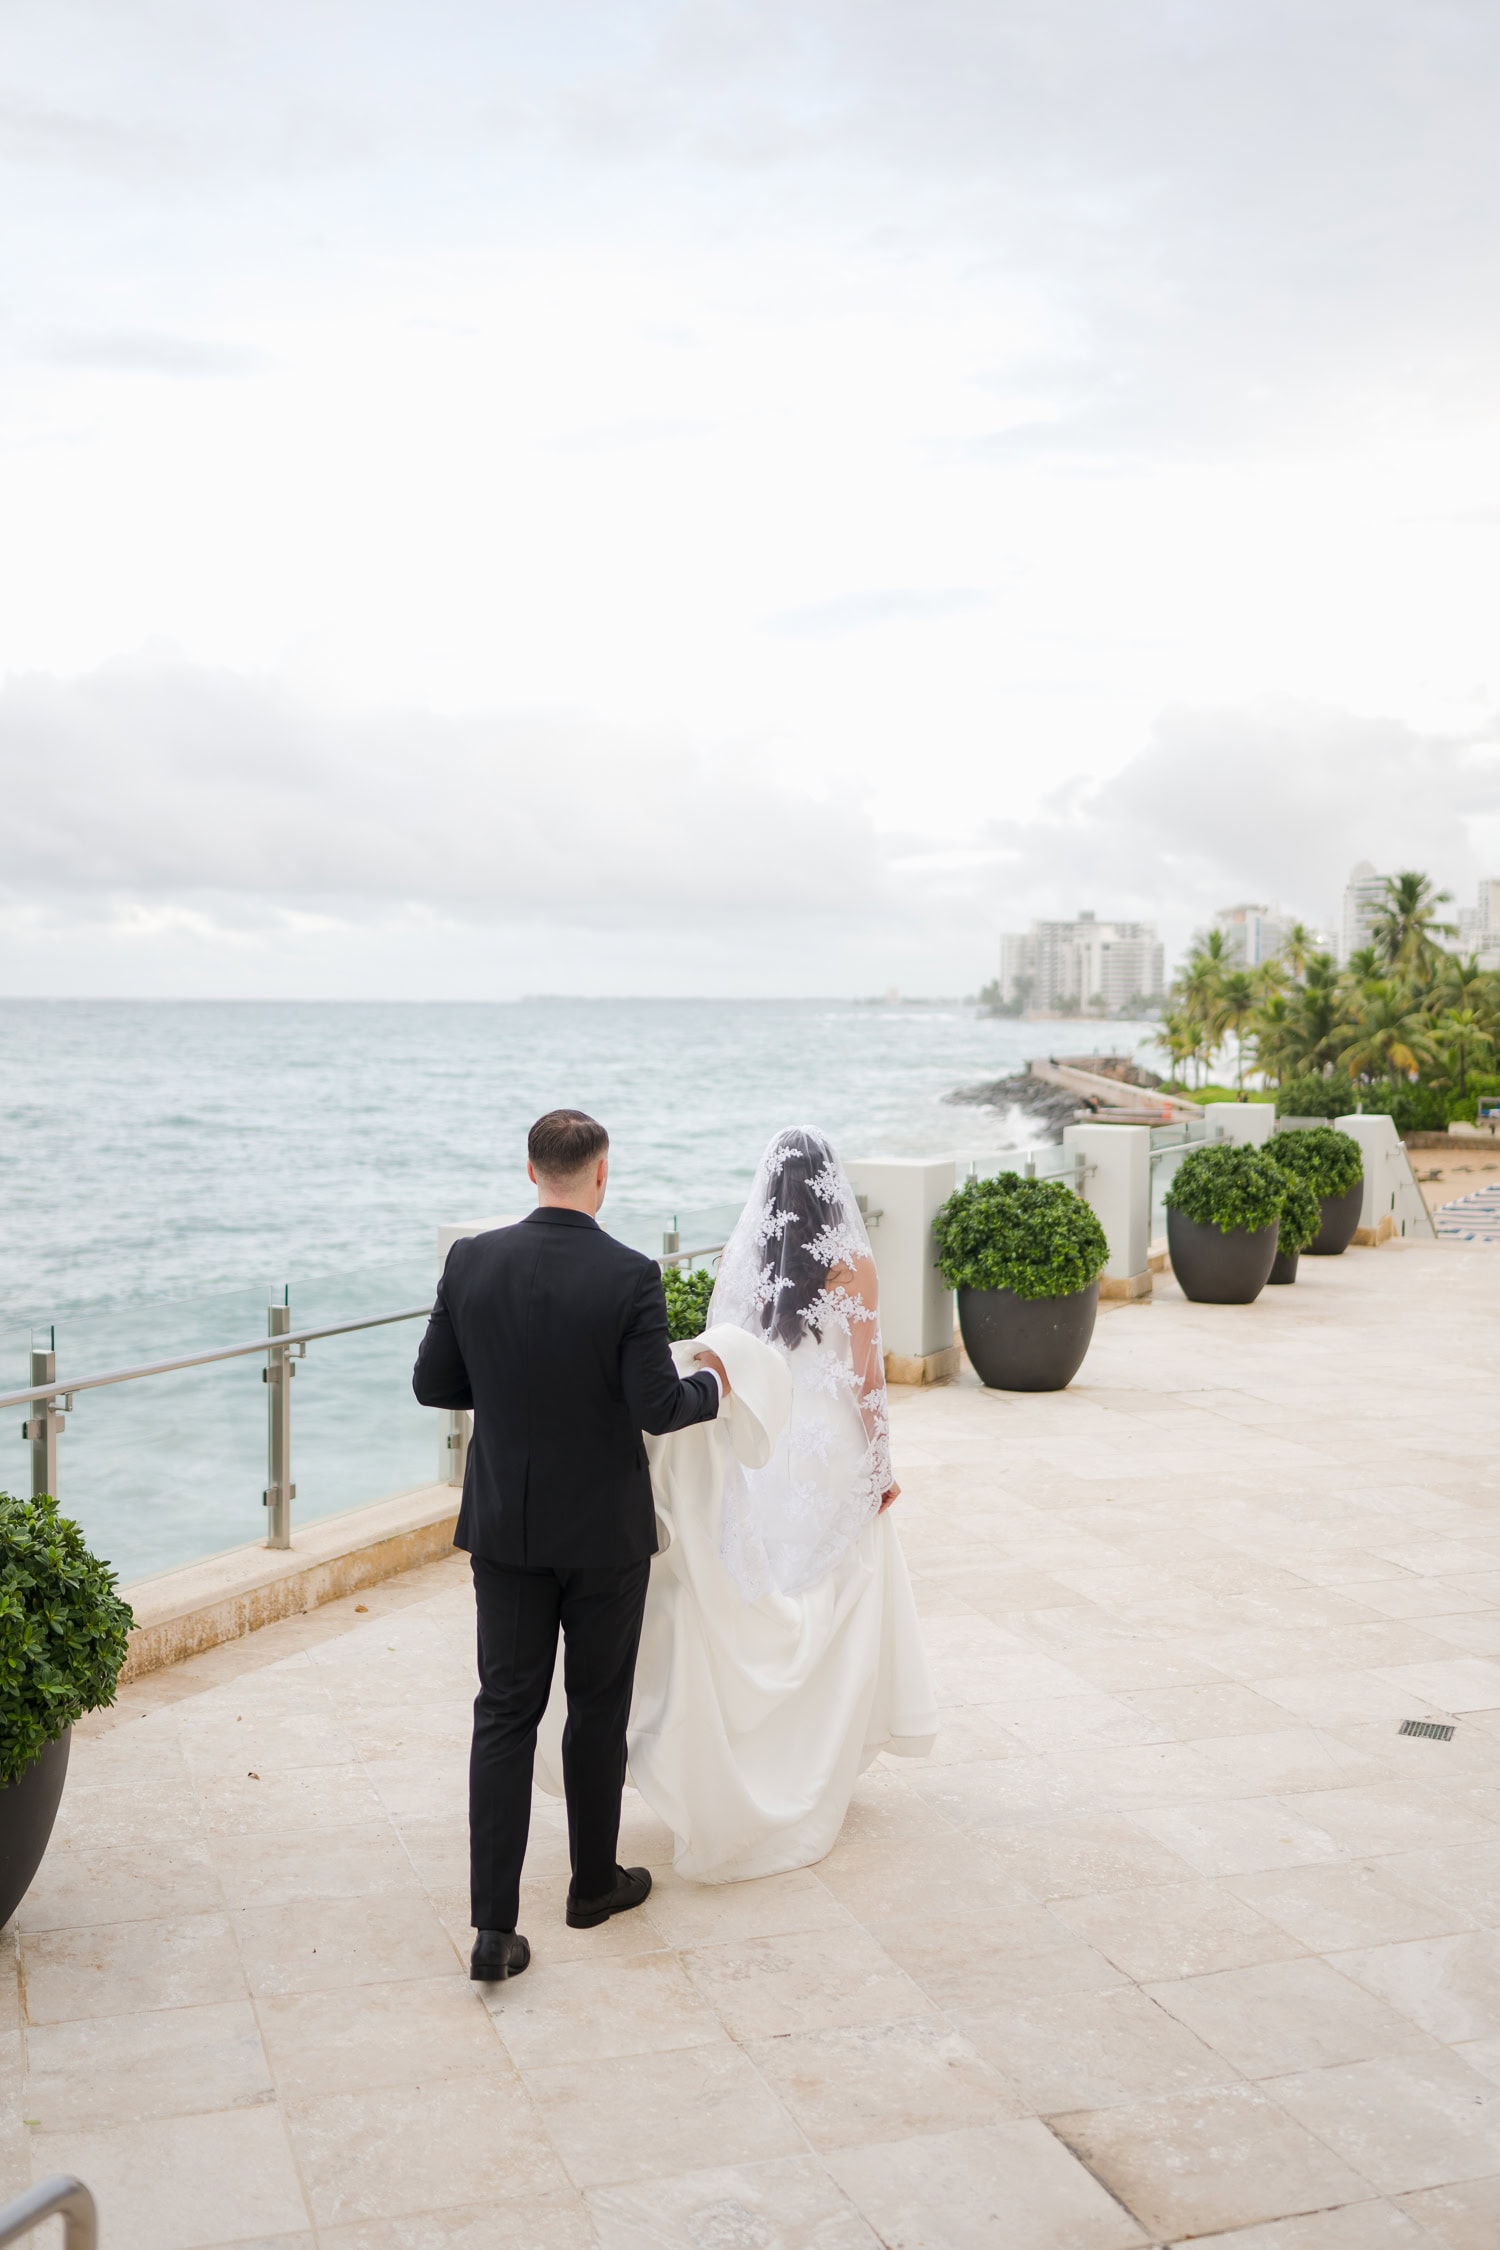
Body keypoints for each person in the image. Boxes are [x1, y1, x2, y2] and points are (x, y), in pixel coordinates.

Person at [534, 1125, 937, 1880]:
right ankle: (818, 1756)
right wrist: (880, 1461)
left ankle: (765, 1753)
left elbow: (727, 1360)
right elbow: (865, 1379)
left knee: (768, 1590)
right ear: (829, 1190)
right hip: (829, 1444)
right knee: (841, 1593)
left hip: (764, 1441)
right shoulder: (852, 1266)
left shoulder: (737, 1257)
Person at [411, 1108, 728, 1982]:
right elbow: (658, 1407)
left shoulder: (471, 1260)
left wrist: (512, 1387)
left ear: (529, 1172)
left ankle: (491, 1930)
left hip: (507, 1529)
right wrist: (710, 1386)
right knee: (596, 1709)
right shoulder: (630, 1275)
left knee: (504, 1713)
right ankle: (593, 1886)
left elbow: (433, 1383)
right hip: (602, 1534)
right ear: (600, 1174)